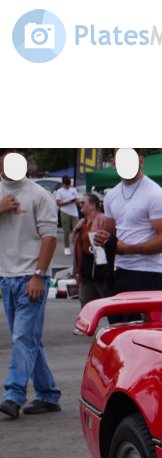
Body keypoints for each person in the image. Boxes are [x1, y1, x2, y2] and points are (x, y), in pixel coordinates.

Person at [0, 159, 60, 419]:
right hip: (6, 277)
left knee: (23, 338)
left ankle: (13, 395)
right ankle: (47, 394)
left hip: (30, 278)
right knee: (28, 338)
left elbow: (50, 236)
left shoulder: (39, 194)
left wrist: (39, 274)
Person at [95, 150, 162, 298]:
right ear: (114, 163)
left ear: (141, 161)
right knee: (116, 322)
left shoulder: (155, 194)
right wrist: (101, 238)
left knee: (140, 322)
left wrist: (129, 249)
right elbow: (110, 235)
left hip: (147, 274)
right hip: (117, 271)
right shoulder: (111, 195)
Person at [72, 192, 111, 303]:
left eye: (83, 203)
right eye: (80, 203)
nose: (80, 205)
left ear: (93, 205)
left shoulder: (104, 220)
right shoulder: (82, 223)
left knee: (109, 307)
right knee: (86, 309)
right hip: (86, 272)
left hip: (102, 272)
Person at [55, 176, 80, 252]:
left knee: (77, 230)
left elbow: (78, 200)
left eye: (69, 184)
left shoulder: (73, 190)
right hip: (65, 212)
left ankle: (77, 246)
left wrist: (75, 201)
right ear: (63, 184)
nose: (68, 186)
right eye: (66, 185)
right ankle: (66, 247)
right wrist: (67, 202)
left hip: (74, 212)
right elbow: (58, 203)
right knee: (66, 231)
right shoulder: (60, 191)